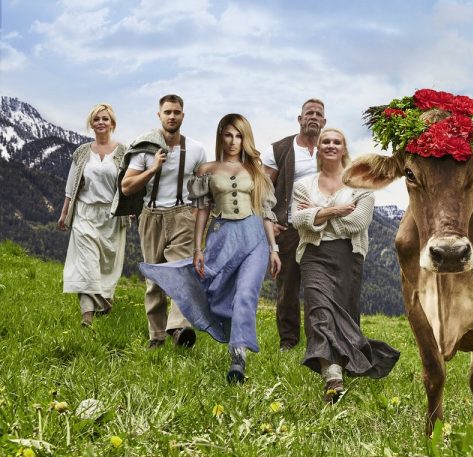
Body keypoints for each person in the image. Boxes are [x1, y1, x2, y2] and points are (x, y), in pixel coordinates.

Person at [139, 114, 281, 383]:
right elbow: (202, 211)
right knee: (215, 290)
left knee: (246, 294)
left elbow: (265, 212)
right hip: (223, 235)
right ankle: (189, 328)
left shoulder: (256, 172)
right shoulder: (207, 170)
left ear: (245, 138)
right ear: (220, 136)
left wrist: (273, 249)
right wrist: (197, 249)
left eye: (239, 136)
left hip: (255, 239)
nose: (233, 141)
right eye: (228, 135)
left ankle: (238, 357)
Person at [290, 128, 399, 403]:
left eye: (336, 141)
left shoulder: (361, 186)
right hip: (314, 253)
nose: (330, 145)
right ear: (318, 148)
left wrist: (316, 213)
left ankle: (354, 357)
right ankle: (333, 377)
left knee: (344, 316)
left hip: (349, 256)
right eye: (325, 141)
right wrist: (334, 210)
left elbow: (358, 223)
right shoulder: (304, 185)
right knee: (319, 309)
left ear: (344, 148)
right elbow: (296, 220)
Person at [120, 95, 207, 348]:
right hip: (151, 215)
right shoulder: (145, 148)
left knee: (182, 274)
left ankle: (179, 329)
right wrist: (152, 169)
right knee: (154, 277)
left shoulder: (197, 150)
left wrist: (196, 214)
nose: (172, 116)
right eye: (167, 112)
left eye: (176, 112)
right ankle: (157, 336)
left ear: (183, 115)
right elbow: (126, 187)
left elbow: (202, 187)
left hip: (182, 215)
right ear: (159, 115)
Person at [262, 99, 327, 351]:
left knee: (318, 287)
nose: (313, 117)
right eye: (308, 113)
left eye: (318, 114)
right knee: (288, 288)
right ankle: (288, 341)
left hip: (321, 228)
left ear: (324, 121)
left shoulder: (330, 147)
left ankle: (318, 339)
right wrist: (268, 221)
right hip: (289, 228)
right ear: (299, 119)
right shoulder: (279, 150)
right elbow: (263, 191)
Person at [57, 103, 128, 327]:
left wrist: (132, 209)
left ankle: (102, 300)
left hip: (112, 215)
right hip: (85, 212)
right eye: (96, 119)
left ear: (112, 124)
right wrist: (64, 212)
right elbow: (71, 185)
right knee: (86, 263)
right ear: (91, 123)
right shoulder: (82, 152)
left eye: (105, 119)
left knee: (107, 266)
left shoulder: (123, 152)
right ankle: (87, 315)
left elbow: (129, 184)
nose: (100, 122)